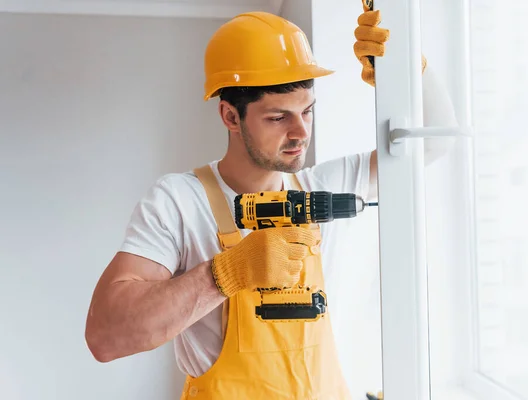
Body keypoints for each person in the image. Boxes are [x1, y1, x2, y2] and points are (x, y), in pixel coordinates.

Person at [84, 3, 458, 399]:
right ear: (230, 116)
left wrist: (409, 68)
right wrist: (226, 273)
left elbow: (435, 143)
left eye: (308, 112)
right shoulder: (178, 202)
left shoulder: (324, 190)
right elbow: (107, 337)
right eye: (278, 118)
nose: (300, 132)